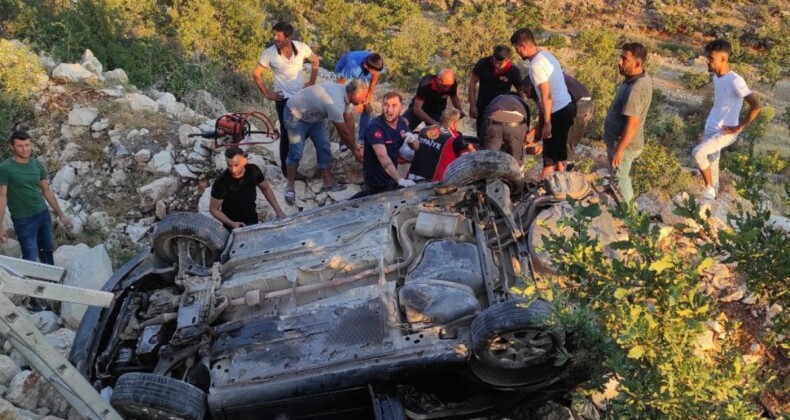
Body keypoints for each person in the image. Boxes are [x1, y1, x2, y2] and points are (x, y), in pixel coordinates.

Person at [693, 39, 761, 200]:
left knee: (698, 153)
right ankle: (710, 207)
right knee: (713, 168)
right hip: (711, 128)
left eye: (711, 58)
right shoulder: (717, 77)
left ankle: (709, 188)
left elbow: (756, 105)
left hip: (726, 132)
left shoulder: (735, 80)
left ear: (723, 59)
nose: (707, 62)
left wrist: (739, 127)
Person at [252, 21, 320, 177]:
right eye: (273, 34)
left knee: (309, 127)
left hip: (302, 97)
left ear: (288, 37)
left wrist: (312, 82)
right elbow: (256, 74)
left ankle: (305, 164)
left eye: (278, 35)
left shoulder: (302, 48)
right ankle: (286, 170)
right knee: (287, 134)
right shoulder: (269, 53)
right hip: (283, 101)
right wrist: (267, 93)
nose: (275, 38)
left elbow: (315, 61)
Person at [283, 80, 367, 205]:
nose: (365, 99)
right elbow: (343, 132)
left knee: (324, 146)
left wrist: (354, 145)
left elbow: (348, 120)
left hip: (314, 118)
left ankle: (328, 182)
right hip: (295, 115)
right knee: (296, 152)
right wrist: (355, 151)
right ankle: (290, 185)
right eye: (363, 96)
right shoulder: (334, 102)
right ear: (354, 94)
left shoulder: (347, 98)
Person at [510, 28, 575, 180]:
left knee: (549, 159)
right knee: (559, 155)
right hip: (567, 107)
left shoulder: (536, 66)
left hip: (556, 112)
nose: (517, 53)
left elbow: (546, 95)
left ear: (522, 46)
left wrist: (547, 123)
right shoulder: (547, 56)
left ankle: (545, 193)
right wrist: (537, 129)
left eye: (516, 48)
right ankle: (562, 189)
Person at [603, 42, 653, 203]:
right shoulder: (633, 79)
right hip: (621, 143)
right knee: (618, 177)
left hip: (625, 145)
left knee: (620, 178)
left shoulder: (637, 88)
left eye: (624, 59)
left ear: (637, 64)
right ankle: (624, 211)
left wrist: (619, 149)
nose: (619, 62)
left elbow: (632, 123)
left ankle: (630, 217)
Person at [522, 74, 593, 166]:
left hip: (578, 105)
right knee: (567, 144)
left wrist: (534, 138)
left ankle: (562, 176)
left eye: (526, 92)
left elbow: (543, 114)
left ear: (530, 85)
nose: (527, 96)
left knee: (564, 145)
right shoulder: (550, 79)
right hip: (586, 104)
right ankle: (564, 173)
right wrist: (532, 134)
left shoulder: (538, 86)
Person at [354, 91, 415, 198]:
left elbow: (416, 147)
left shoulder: (401, 122)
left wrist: (413, 139)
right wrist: (399, 179)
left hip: (391, 174)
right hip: (376, 177)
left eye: (394, 106)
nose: (389, 109)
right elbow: (382, 156)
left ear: (401, 107)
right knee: (377, 200)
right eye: (386, 105)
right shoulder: (375, 127)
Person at [209, 146, 285, 230]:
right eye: (229, 165)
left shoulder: (253, 171)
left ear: (244, 160)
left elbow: (265, 188)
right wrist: (232, 224)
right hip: (231, 225)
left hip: (252, 219)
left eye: (236, 165)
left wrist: (279, 212)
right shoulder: (221, 182)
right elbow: (213, 209)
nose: (233, 170)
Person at [468, 45, 522, 136]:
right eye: (495, 62)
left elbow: (521, 92)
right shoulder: (483, 63)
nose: (497, 65)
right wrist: (472, 105)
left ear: (507, 60)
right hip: (483, 108)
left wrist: (519, 112)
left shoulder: (513, 70)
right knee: (481, 137)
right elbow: (472, 83)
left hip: (502, 112)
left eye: (500, 64)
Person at [407, 108, 474, 182]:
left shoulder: (424, 130)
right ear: (455, 123)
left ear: (441, 118)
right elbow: (467, 159)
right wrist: (472, 150)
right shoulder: (455, 137)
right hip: (434, 183)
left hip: (411, 177)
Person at [335, 51, 384, 139]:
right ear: (367, 67)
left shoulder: (375, 64)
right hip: (344, 75)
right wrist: (355, 103)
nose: (376, 74)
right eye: (374, 72)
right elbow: (339, 85)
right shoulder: (353, 67)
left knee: (367, 108)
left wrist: (366, 100)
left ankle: (362, 139)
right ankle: (345, 141)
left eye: (378, 72)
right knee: (346, 108)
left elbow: (373, 83)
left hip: (361, 76)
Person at [481, 93, 531, 165]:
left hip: (494, 123)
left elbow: (484, 123)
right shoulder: (522, 104)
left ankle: (488, 171)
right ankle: (518, 171)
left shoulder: (496, 99)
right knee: (516, 161)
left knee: (489, 160)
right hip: (516, 125)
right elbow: (526, 132)